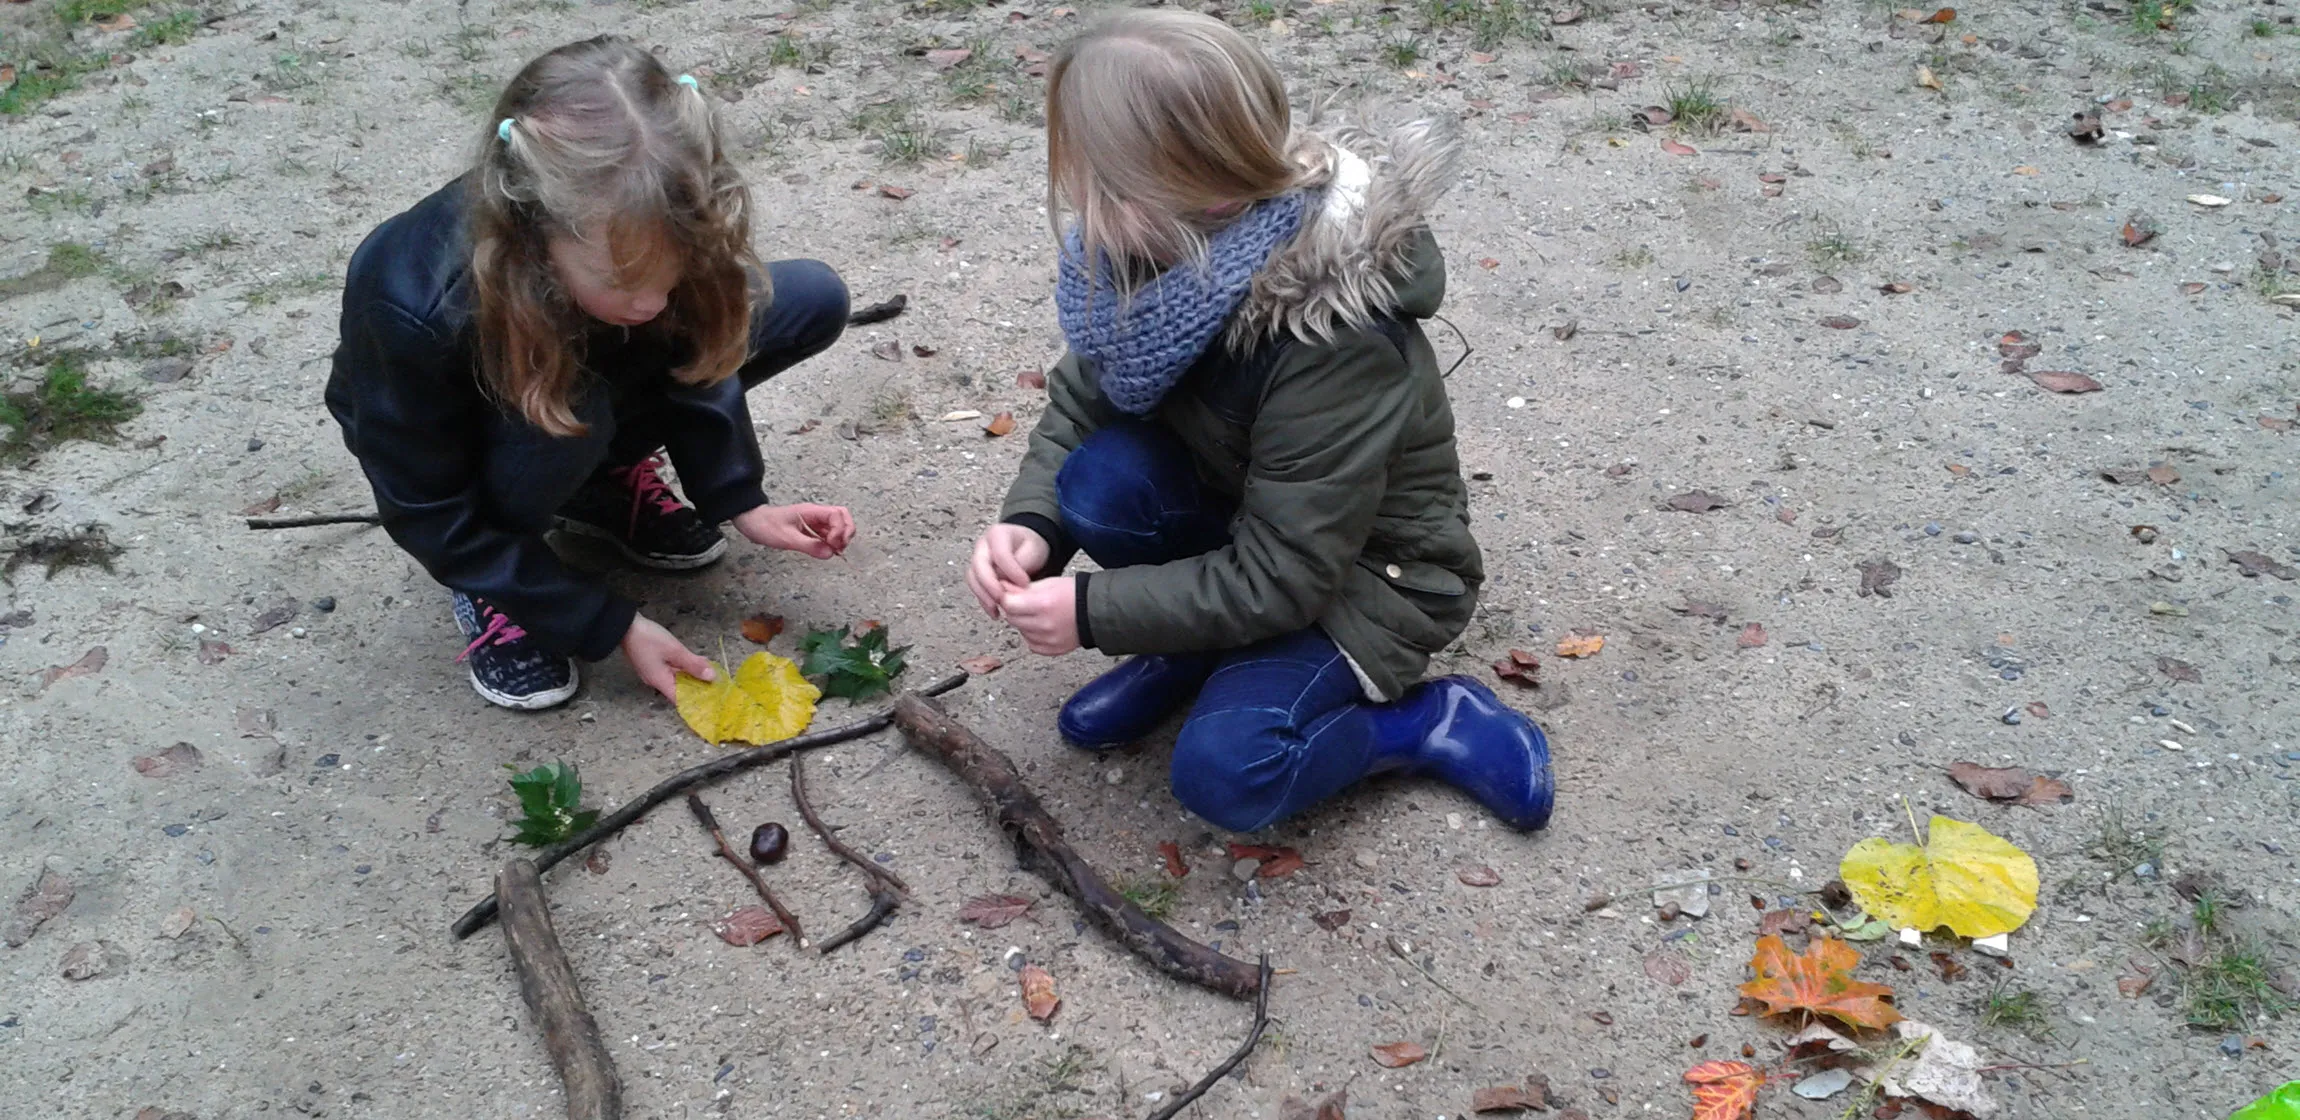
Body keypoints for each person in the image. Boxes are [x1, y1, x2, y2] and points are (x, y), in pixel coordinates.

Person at [963, 10, 1554, 834]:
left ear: (1201, 188)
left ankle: (1426, 723)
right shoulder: (1157, 257)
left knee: (1231, 772)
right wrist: (1033, 527)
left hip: (1364, 582)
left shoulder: (1333, 334)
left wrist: (1097, 610)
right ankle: (1195, 647)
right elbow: (1079, 399)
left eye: (1099, 186)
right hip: (1248, 526)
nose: (1080, 209)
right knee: (1095, 482)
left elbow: (1286, 575)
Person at [328, 35, 854, 711]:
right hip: (470, 444)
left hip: (578, 383)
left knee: (809, 298)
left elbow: (691, 351)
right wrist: (609, 623)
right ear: (535, 235)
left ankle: (596, 486)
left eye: (672, 275)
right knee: (572, 422)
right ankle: (502, 582)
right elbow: (427, 507)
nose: (655, 303)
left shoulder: (652, 222)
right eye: (628, 282)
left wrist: (737, 497)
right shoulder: (412, 307)